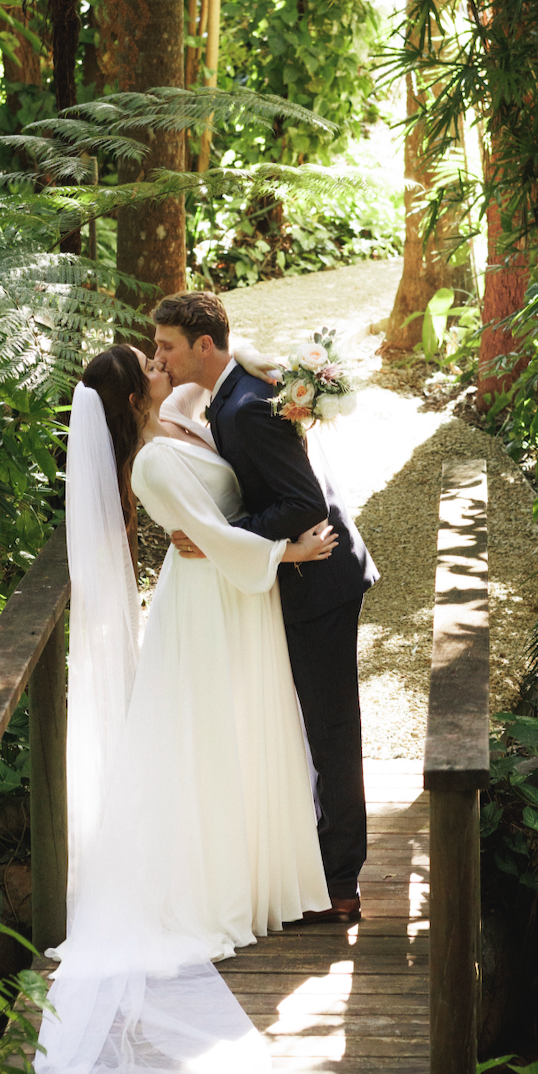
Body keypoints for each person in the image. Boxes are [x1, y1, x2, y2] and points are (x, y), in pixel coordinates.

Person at [35, 344, 335, 1074]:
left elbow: (218, 388)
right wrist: (289, 556)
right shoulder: (149, 462)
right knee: (208, 739)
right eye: (151, 360)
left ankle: (262, 876)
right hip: (205, 604)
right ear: (138, 392)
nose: (161, 360)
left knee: (241, 730)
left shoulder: (176, 418)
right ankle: (212, 887)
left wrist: (264, 360)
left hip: (231, 595)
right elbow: (210, 531)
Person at [151, 292, 379, 922]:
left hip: (320, 582)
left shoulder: (245, 406)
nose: (160, 357)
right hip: (302, 581)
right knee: (308, 727)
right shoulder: (230, 391)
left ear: (202, 346)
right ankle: (311, 866)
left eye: (168, 345)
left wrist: (229, 536)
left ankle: (340, 883)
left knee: (331, 730)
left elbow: (304, 503)